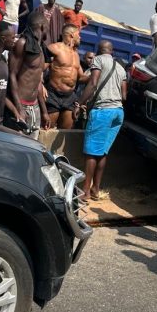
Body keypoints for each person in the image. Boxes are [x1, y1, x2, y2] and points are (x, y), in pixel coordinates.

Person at [79, 40, 127, 202]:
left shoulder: (98, 60)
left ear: (99, 50)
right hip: (118, 112)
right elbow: (124, 96)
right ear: (111, 51)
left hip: (103, 111)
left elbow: (93, 83)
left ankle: (85, 191)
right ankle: (96, 189)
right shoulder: (120, 67)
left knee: (91, 153)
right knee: (102, 152)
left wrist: (80, 103)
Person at [5, 10, 49, 139]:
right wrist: (18, 107)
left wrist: (44, 111)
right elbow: (12, 75)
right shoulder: (22, 43)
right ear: (42, 26)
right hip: (20, 106)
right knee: (15, 145)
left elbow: (37, 81)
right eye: (47, 25)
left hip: (34, 107)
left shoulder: (39, 47)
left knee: (31, 147)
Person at [46, 23, 88, 128]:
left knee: (66, 132)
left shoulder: (76, 54)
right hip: (53, 94)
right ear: (72, 35)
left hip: (69, 96)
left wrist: (97, 76)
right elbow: (39, 68)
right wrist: (40, 85)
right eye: (78, 34)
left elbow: (81, 78)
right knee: (47, 130)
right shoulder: (55, 48)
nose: (80, 37)